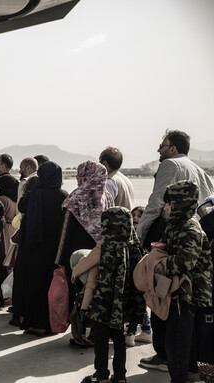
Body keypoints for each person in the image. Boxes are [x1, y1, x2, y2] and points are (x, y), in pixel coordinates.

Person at [138, 130, 214, 372]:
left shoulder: (170, 164)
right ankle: (185, 359)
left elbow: (156, 201)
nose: (158, 149)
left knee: (162, 292)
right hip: (196, 236)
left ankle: (165, 355)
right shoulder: (198, 169)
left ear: (172, 148)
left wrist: (140, 234)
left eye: (162, 145)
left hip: (168, 231)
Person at [81, 207, 146, 383]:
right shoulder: (134, 247)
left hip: (103, 303)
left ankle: (101, 375)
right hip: (123, 304)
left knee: (101, 340)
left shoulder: (106, 247)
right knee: (118, 339)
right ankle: (120, 376)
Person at [160, 181, 213, 383]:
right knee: (180, 341)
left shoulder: (190, 228)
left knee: (178, 344)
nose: (166, 207)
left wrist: (159, 263)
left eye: (170, 203)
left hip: (186, 295)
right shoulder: (175, 225)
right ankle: (189, 375)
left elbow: (184, 262)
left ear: (181, 203)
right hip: (176, 291)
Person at [57, 161, 114, 346]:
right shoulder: (107, 196)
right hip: (99, 254)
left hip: (77, 256)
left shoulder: (77, 197)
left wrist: (60, 259)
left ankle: (79, 334)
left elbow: (66, 230)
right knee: (96, 293)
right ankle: (94, 334)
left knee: (79, 295)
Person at [12, 161, 68, 335]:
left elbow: (21, 208)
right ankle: (50, 323)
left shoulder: (36, 194)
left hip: (34, 248)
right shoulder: (64, 195)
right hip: (55, 249)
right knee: (51, 286)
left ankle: (34, 322)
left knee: (33, 285)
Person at [125, 205, 152, 347]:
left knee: (137, 302)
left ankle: (131, 333)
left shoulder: (143, 237)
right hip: (133, 276)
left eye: (139, 216)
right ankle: (147, 330)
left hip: (140, 277)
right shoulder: (128, 234)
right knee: (139, 302)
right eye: (133, 215)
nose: (135, 218)